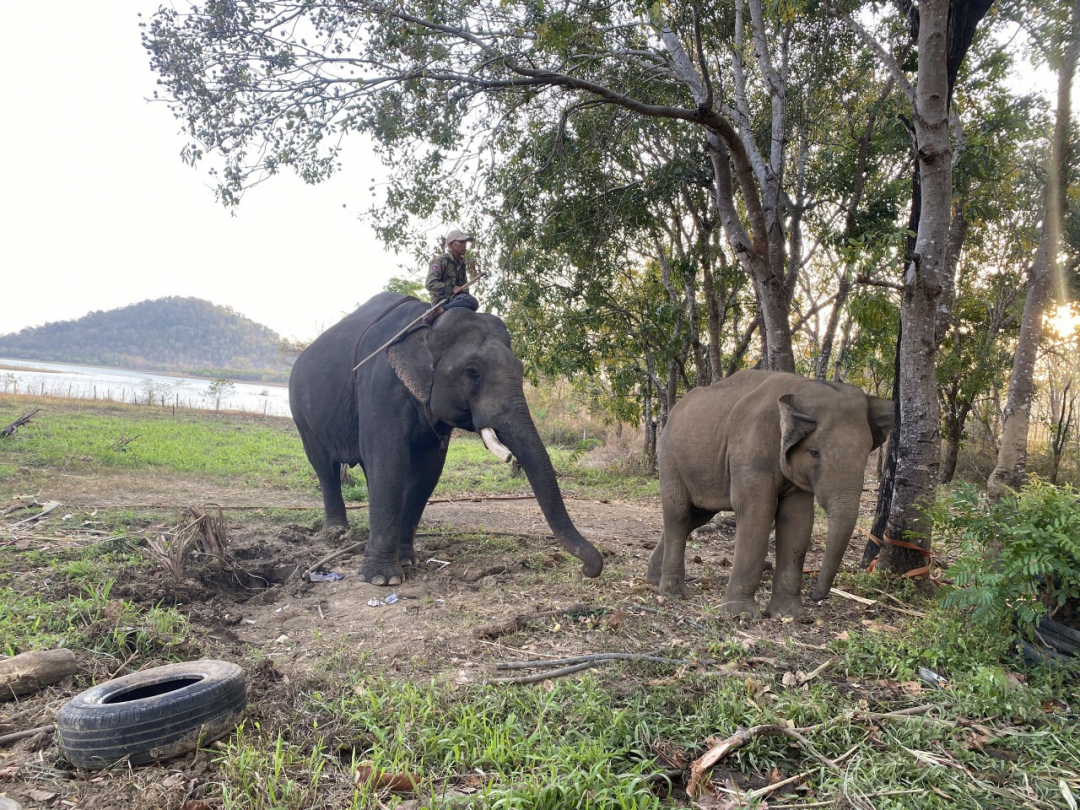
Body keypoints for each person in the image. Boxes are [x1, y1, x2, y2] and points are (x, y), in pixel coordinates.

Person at [423, 228, 479, 324]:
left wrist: (463, 292)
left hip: (456, 299)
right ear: (450, 244)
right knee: (472, 302)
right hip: (441, 300)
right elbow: (430, 284)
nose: (464, 245)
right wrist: (451, 289)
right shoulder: (439, 261)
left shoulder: (462, 264)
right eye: (461, 242)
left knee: (471, 304)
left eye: (465, 243)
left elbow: (464, 286)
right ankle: (440, 310)